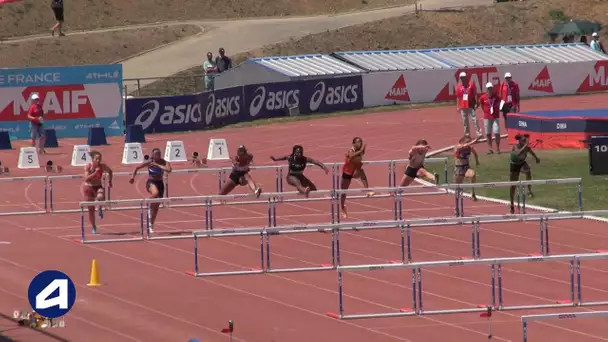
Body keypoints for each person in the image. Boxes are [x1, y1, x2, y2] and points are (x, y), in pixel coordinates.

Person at [129, 148, 172, 234]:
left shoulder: (164, 162)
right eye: (156, 154)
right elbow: (136, 168)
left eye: (159, 154)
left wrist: (158, 165)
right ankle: (146, 201)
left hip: (160, 184)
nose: (158, 156)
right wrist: (132, 177)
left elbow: (169, 170)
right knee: (155, 193)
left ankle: (151, 225)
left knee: (155, 208)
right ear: (152, 155)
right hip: (151, 182)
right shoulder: (149, 162)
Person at [340, 137, 374, 218]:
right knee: (343, 193)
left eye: (361, 142)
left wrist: (362, 151)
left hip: (354, 171)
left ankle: (367, 190)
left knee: (362, 172)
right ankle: (342, 207)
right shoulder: (350, 151)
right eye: (358, 142)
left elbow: (361, 154)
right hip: (347, 173)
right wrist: (361, 151)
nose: (360, 143)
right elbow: (351, 156)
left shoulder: (360, 152)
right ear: (354, 143)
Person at [82, 151, 113, 234]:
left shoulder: (103, 166)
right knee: (91, 210)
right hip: (88, 187)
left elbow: (110, 171)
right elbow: (86, 179)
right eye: (97, 159)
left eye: (100, 159)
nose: (99, 160)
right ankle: (93, 226)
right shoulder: (88, 166)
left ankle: (99, 207)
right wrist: (95, 173)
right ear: (93, 159)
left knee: (100, 196)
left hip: (98, 186)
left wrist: (110, 181)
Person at [509, 134, 540, 214]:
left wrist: (536, 158)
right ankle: (512, 205)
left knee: (528, 171)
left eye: (525, 140)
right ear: (519, 141)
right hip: (514, 165)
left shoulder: (527, 148)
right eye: (523, 140)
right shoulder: (515, 146)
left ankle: (529, 190)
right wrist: (524, 147)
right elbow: (518, 153)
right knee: (513, 186)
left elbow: (532, 152)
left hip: (522, 163)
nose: (525, 142)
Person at [453, 136, 480, 201]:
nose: (469, 143)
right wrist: (475, 140)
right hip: (458, 169)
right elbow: (463, 146)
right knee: (458, 189)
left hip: (466, 167)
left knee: (473, 175)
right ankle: (456, 207)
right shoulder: (457, 147)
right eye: (468, 142)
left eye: (470, 142)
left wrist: (477, 161)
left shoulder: (470, 148)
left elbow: (475, 153)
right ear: (463, 142)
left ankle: (473, 193)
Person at [456, 72, 482, 138]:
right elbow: (458, 97)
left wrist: (476, 103)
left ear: (466, 77)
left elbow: (475, 94)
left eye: (463, 77)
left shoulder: (471, 84)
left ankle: (479, 133)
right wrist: (457, 106)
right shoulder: (459, 87)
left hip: (470, 104)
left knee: (474, 120)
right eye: (461, 78)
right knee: (465, 121)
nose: (462, 79)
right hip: (463, 106)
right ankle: (467, 135)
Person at [478, 82, 502, 154]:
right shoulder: (483, 97)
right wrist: (485, 111)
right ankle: (490, 149)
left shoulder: (496, 96)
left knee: (496, 132)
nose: (490, 90)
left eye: (491, 88)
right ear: (486, 89)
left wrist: (497, 109)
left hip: (495, 117)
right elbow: (482, 105)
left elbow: (500, 103)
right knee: (488, 134)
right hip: (487, 117)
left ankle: (498, 148)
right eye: (488, 88)